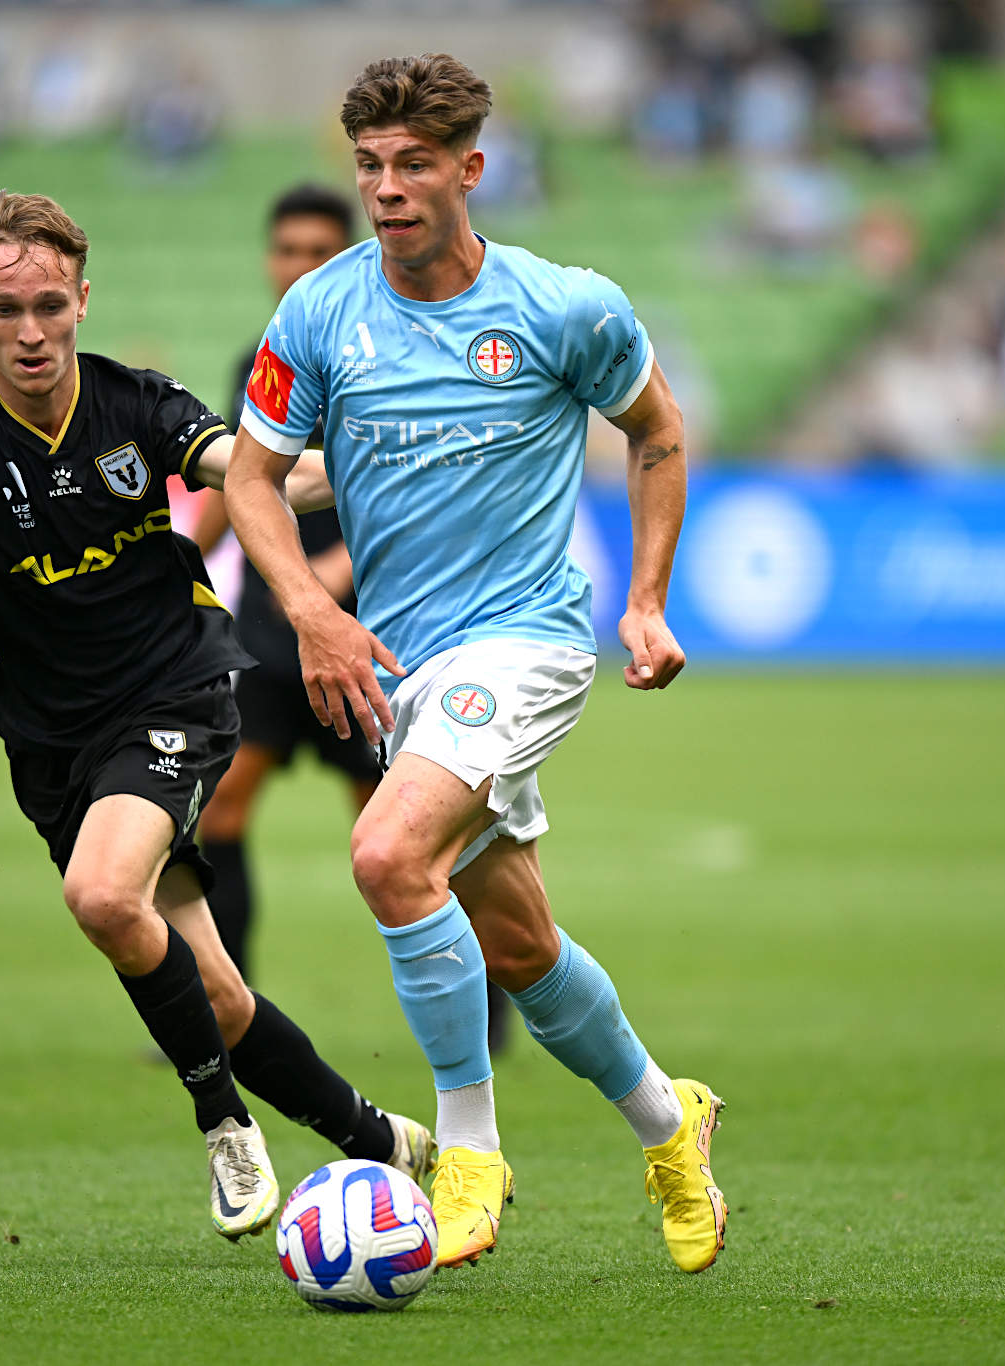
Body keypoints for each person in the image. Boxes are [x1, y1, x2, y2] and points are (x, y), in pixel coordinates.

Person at [0, 191, 433, 1243]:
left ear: (82, 299)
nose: (31, 332)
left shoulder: (136, 402)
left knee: (102, 895)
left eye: (50, 306)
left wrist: (404, 463)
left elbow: (255, 481)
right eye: (6, 308)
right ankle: (384, 1143)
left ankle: (224, 1128)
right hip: (51, 739)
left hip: (176, 691)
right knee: (217, 998)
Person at [224, 54, 725, 1274]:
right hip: (410, 670)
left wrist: (647, 601)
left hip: (531, 639)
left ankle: (465, 1149)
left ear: (467, 170)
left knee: (388, 853)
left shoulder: (565, 307)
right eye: (369, 168)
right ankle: (671, 1125)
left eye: (410, 166)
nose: (387, 190)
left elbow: (656, 431)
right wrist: (310, 612)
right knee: (520, 944)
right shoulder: (319, 314)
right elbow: (250, 478)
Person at [187, 183, 518, 1055]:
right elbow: (241, 480)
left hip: (374, 634)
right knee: (219, 813)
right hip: (269, 634)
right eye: (285, 250)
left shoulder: (392, 357)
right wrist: (179, 555)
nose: (297, 266)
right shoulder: (261, 359)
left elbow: (431, 493)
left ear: (352, 256)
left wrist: (327, 576)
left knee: (405, 835)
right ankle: (229, 1007)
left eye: (315, 252)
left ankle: (487, 1008)